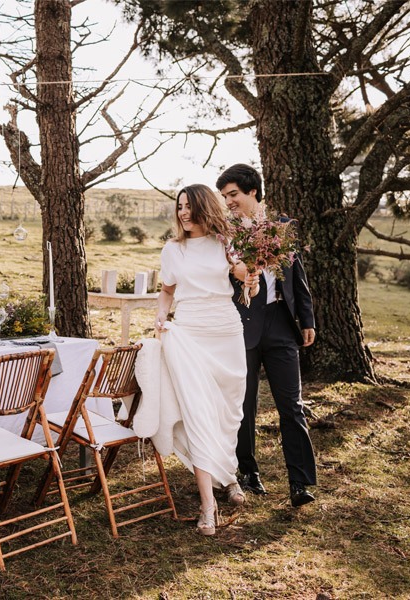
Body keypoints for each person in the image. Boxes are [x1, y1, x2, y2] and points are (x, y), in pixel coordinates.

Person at [154, 184, 257, 536]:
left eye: (189, 206)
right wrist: (160, 318)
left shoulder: (224, 242)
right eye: (179, 207)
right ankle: (208, 506)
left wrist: (252, 278)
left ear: (203, 208)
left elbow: (244, 274)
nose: (183, 213)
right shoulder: (172, 250)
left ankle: (227, 477)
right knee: (198, 412)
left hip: (226, 333)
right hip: (189, 334)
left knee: (227, 413)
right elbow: (167, 291)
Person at [217, 164, 317, 507]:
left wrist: (307, 318)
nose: (228, 201)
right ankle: (248, 471)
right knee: (243, 405)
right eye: (224, 196)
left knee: (291, 405)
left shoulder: (283, 226)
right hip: (241, 323)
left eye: (233, 194)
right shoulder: (225, 232)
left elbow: (295, 273)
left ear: (253, 191)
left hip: (281, 322)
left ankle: (300, 483)